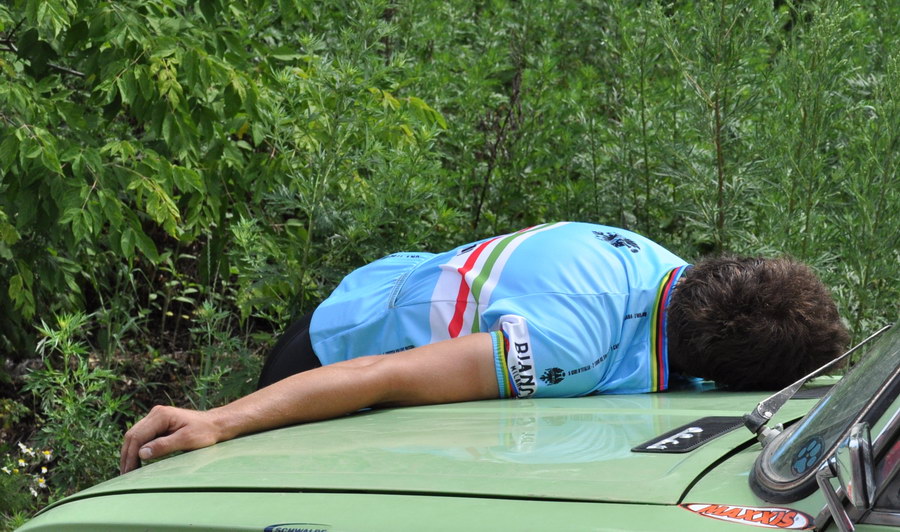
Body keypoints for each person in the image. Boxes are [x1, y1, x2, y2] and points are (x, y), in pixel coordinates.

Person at [120, 222, 849, 474]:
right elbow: (381, 376)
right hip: (333, 351)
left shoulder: (669, 273)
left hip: (389, 283)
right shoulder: (570, 342)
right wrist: (219, 421)